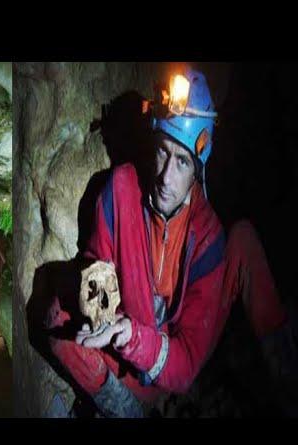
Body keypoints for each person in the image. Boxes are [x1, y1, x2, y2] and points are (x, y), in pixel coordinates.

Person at [46, 67, 298, 417]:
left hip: (173, 353)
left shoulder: (207, 235)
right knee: (56, 318)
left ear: (198, 171)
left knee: (244, 239)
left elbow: (186, 364)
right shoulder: (122, 188)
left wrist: (133, 337)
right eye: (163, 153)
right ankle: (128, 409)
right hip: (132, 343)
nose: (166, 177)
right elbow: (96, 258)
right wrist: (96, 299)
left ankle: (289, 384)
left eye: (182, 163)